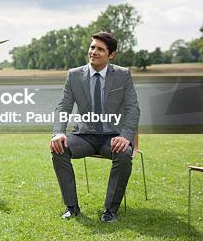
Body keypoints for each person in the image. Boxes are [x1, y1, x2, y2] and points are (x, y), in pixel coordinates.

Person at [50, 31, 140, 223]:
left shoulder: (122, 75)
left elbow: (132, 108)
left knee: (124, 154)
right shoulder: (74, 75)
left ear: (111, 55)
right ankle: (71, 207)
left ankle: (110, 211)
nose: (94, 52)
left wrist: (125, 136)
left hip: (113, 137)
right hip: (84, 136)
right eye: (92, 47)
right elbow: (63, 106)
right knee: (58, 149)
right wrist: (58, 132)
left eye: (100, 49)